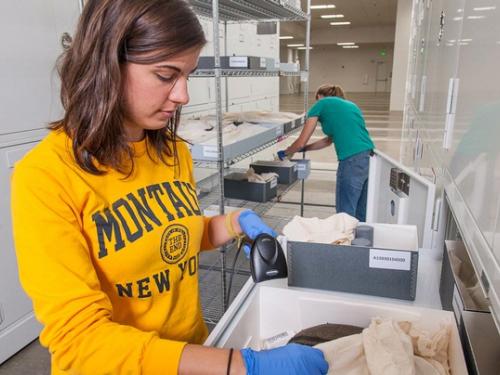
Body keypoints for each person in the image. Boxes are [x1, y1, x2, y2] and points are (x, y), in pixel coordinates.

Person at [10, 1, 328, 374]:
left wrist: (235, 222)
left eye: (188, 75)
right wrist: (240, 365)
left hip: (192, 352)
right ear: (106, 65)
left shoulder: (173, 151)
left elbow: (176, 236)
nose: (183, 96)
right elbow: (80, 341)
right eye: (165, 75)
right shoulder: (46, 176)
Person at [278, 84, 374, 221]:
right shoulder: (351, 106)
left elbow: (301, 141)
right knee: (360, 211)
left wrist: (287, 152)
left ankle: (343, 240)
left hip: (351, 161)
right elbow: (328, 141)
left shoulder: (322, 103)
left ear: (320, 96)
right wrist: (305, 149)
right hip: (368, 158)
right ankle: (359, 241)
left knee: (344, 213)